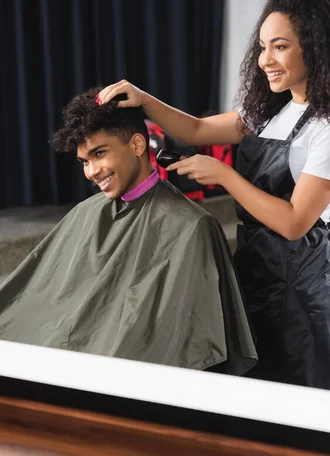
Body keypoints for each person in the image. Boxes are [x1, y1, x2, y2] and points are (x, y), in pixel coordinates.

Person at [98, 0, 330, 392]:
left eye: (280, 46)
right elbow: (195, 129)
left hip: (303, 289)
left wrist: (224, 175)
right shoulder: (268, 111)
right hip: (255, 273)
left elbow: (296, 221)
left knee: (307, 407)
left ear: (317, 47)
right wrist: (144, 99)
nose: (265, 59)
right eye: (263, 46)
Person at [0, 88, 258, 375]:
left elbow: (180, 339)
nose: (91, 171)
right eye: (85, 161)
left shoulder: (190, 226)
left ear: (136, 145)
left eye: (99, 154)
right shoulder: (86, 213)